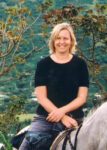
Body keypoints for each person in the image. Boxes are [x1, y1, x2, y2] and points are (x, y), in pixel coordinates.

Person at [18, 22, 89, 150]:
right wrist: (62, 116)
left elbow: (81, 98)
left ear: (71, 41)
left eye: (65, 38)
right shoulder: (43, 64)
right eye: (58, 38)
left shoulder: (80, 64)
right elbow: (42, 98)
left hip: (74, 119)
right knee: (25, 147)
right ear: (53, 41)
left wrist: (62, 112)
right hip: (45, 118)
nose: (62, 42)